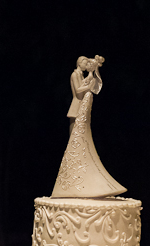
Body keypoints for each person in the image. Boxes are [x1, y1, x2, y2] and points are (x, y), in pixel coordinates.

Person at [52, 55, 127, 198]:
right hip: (76, 107)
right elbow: (79, 90)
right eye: (85, 62)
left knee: (79, 140)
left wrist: (92, 75)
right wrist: (89, 85)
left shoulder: (81, 74)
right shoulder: (75, 74)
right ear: (80, 63)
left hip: (81, 108)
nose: (87, 64)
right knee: (73, 140)